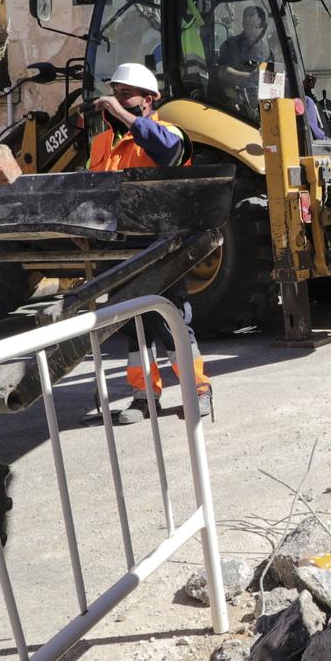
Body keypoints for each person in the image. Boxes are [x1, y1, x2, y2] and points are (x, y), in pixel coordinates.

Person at [88, 62, 213, 424]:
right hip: (118, 247)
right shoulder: (101, 144)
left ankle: (198, 388)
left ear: (149, 99)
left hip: (161, 246)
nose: (116, 100)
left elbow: (169, 153)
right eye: (114, 93)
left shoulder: (169, 133)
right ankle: (144, 397)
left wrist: (124, 117)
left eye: (125, 94)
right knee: (131, 324)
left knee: (171, 319)